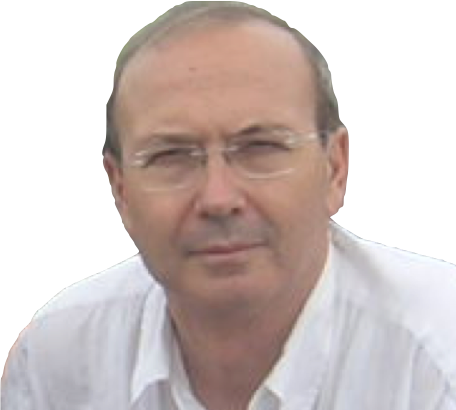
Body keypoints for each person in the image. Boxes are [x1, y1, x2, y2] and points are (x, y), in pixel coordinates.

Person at [1, 2, 455, 409]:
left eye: (260, 148)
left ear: (335, 169)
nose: (218, 199)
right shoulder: (59, 359)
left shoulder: (440, 356)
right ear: (119, 189)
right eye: (171, 156)